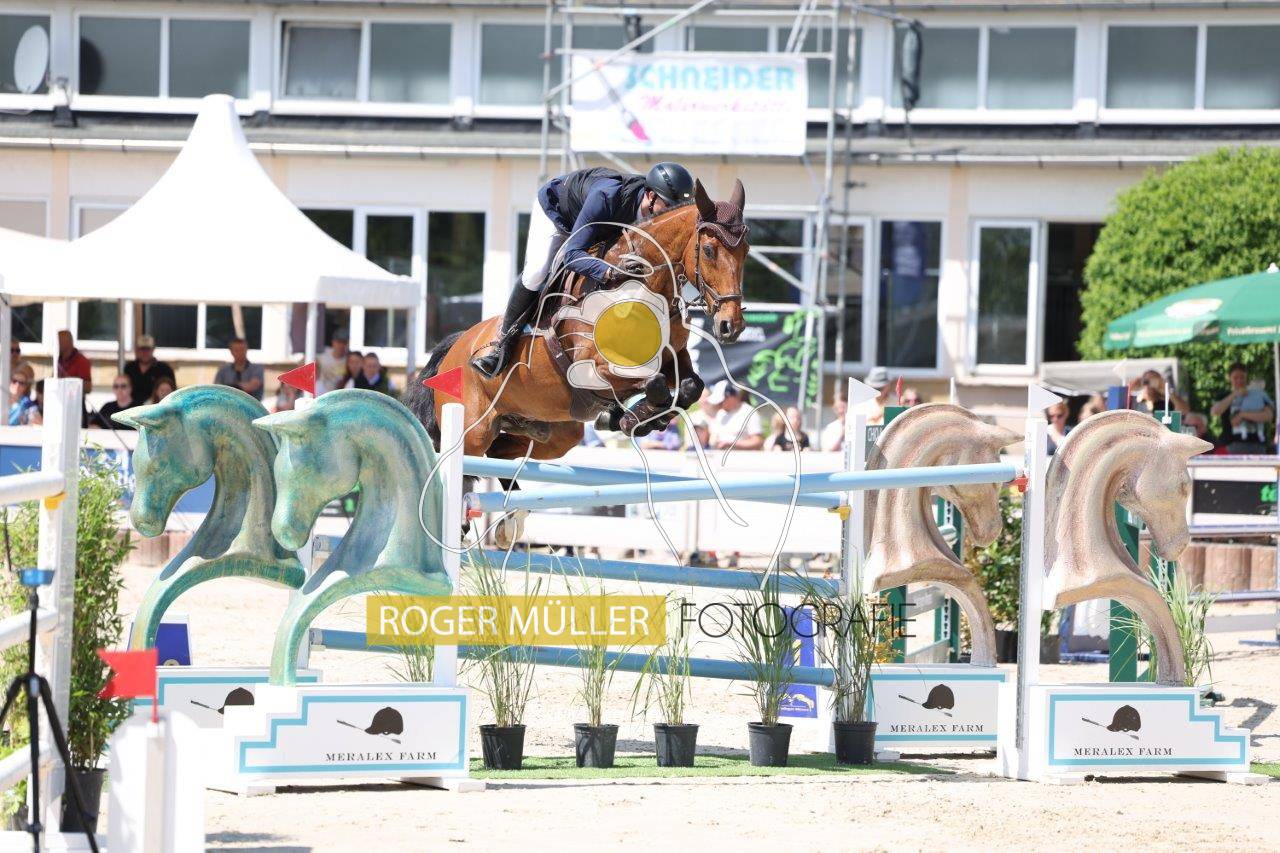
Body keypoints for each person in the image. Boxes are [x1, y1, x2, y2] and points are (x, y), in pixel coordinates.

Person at [470, 162, 697, 378]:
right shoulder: (606, 197)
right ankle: (501, 345)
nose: (671, 215)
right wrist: (611, 271)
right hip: (559, 213)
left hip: (598, 225)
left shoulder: (652, 220)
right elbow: (572, 255)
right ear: (650, 195)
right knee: (537, 272)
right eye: (669, 206)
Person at [1210, 362, 1275, 454]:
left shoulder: (1257, 395)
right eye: (1235, 378)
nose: (1239, 380)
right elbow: (1214, 412)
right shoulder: (1224, 395)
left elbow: (1268, 415)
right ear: (1229, 378)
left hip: (1257, 444)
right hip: (1229, 444)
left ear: (1246, 378)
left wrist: (1242, 415)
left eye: (1242, 377)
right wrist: (1234, 394)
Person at [707, 381, 763, 451]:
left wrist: (731, 444)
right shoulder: (720, 414)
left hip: (742, 457)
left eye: (722, 402)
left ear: (730, 397)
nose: (720, 405)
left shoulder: (749, 412)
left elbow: (757, 442)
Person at [123, 334, 176, 407]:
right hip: (131, 408)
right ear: (136, 350)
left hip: (156, 408)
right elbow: (123, 389)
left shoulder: (165, 369)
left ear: (153, 349)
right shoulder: (129, 368)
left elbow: (173, 394)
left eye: (148, 349)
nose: (145, 353)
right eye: (142, 349)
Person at [54, 330, 92, 394]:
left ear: (66, 343)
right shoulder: (58, 360)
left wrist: (70, 382)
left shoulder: (82, 361)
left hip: (74, 399)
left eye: (58, 343)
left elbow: (88, 388)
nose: (55, 346)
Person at [316, 328, 350, 395]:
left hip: (338, 395)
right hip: (320, 393)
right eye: (339, 342)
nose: (341, 345)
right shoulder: (322, 352)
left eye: (344, 343)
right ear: (333, 342)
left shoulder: (349, 359)